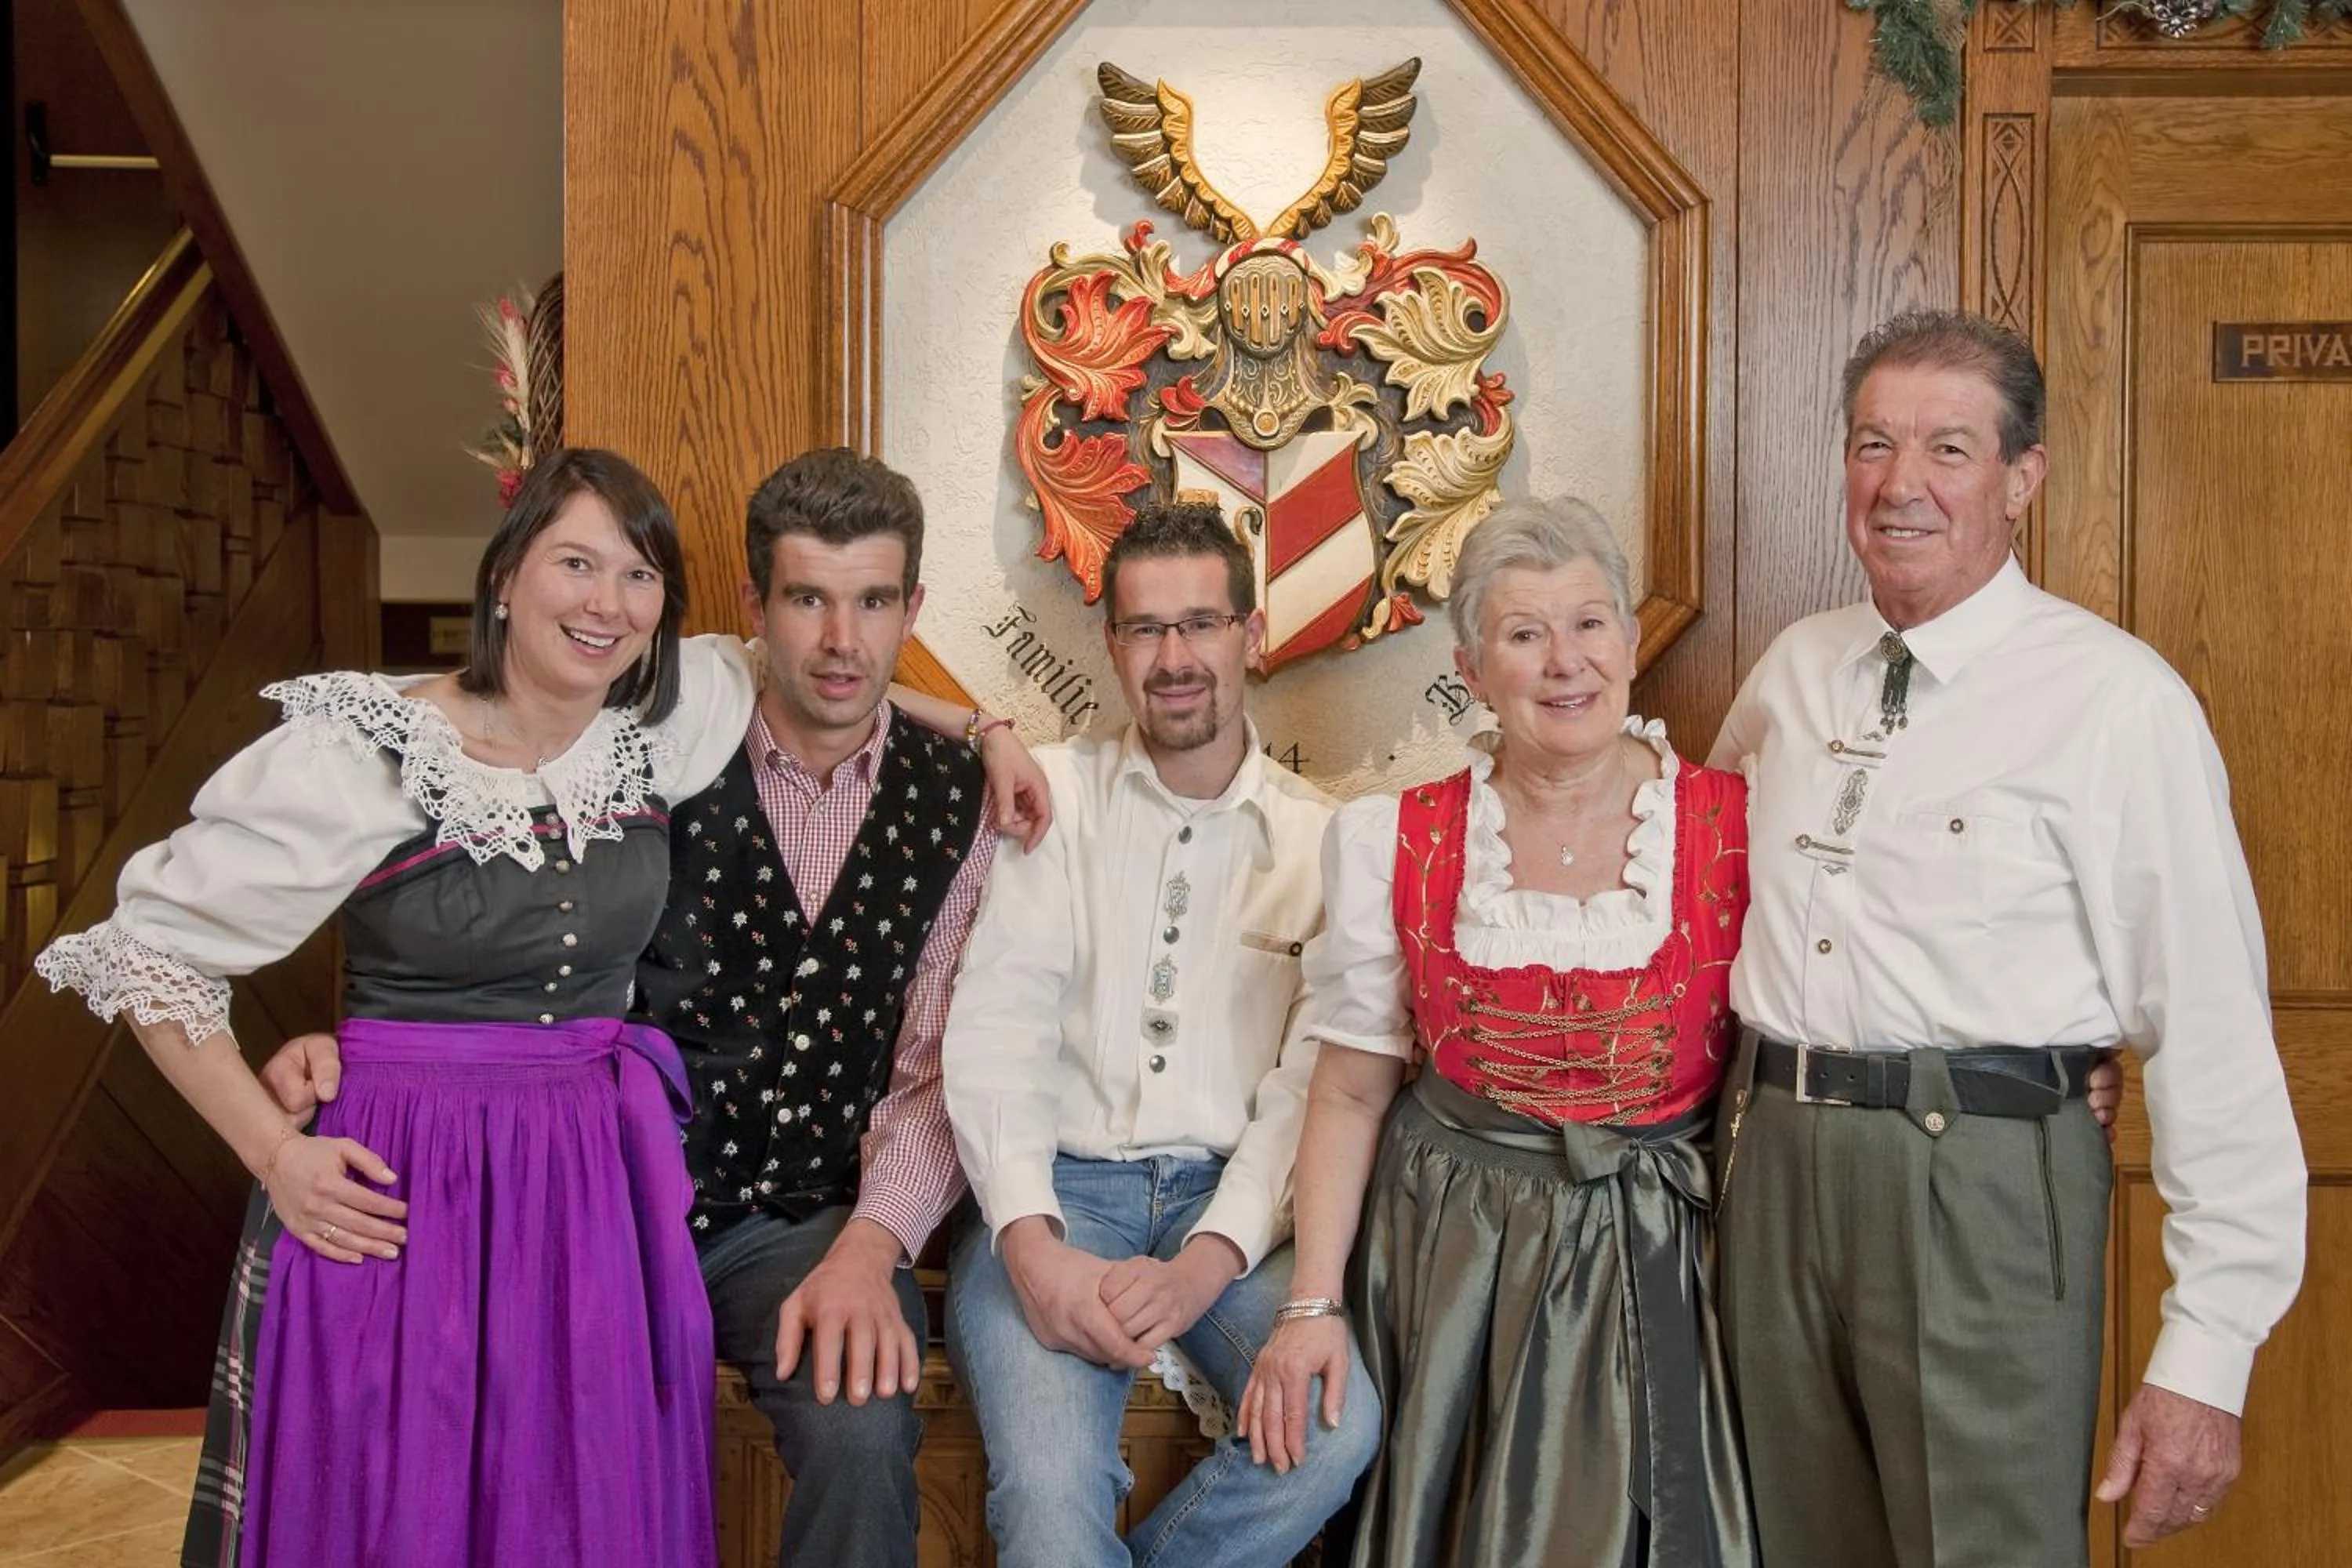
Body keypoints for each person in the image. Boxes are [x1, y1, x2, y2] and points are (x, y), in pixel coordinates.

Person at [249, 447, 1049, 1568]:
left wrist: (871, 1247)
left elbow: (935, 1066)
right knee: (496, 1422)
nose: (841, 641)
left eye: (873, 604)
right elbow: (499, 920)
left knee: (864, 1423)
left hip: (796, 1227)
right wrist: (366, 1048)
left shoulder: (957, 800)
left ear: (910, 608)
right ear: (750, 609)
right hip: (600, 1192)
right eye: (808, 599)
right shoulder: (647, 740)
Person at [35, 448, 748, 1567]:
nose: (610, 603)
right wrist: (276, 1154)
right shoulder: (369, 749)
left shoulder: (655, 727)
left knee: (579, 1500)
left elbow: (809, 667)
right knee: (395, 1499)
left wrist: (982, 731)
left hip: (593, 1180)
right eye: (577, 563)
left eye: (641, 575)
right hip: (409, 1183)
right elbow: (150, 953)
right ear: (505, 579)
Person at [1708, 308, 2306, 1566]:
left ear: (2022, 480)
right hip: (1769, 1171)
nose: (1900, 484)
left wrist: (2208, 1354)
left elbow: (2209, 1030)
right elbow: (1701, 910)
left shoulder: (2116, 701)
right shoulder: (1793, 672)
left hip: (1977, 1181)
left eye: (1948, 449)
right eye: (1874, 444)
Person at [1242, 498, 1758, 1566]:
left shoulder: (1735, 823)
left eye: (1590, 623)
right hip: (1453, 1249)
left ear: (1627, 639)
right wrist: (1310, 1305)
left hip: (1665, 1245)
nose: (1566, 662)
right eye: (1525, 634)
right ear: (1475, 669)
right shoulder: (1400, 838)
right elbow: (1346, 1091)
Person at [938, 498, 1382, 1568]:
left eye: (1201, 625)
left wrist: (1204, 1264)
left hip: (1231, 1214)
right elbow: (997, 1033)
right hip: (1056, 1198)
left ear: (1252, 637)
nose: (1175, 656)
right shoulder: (1052, 802)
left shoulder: (1326, 844)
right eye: (1146, 628)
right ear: (1113, 644)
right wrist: (1036, 1253)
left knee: (1337, 1432)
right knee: (1048, 1511)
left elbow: (1311, 1093)